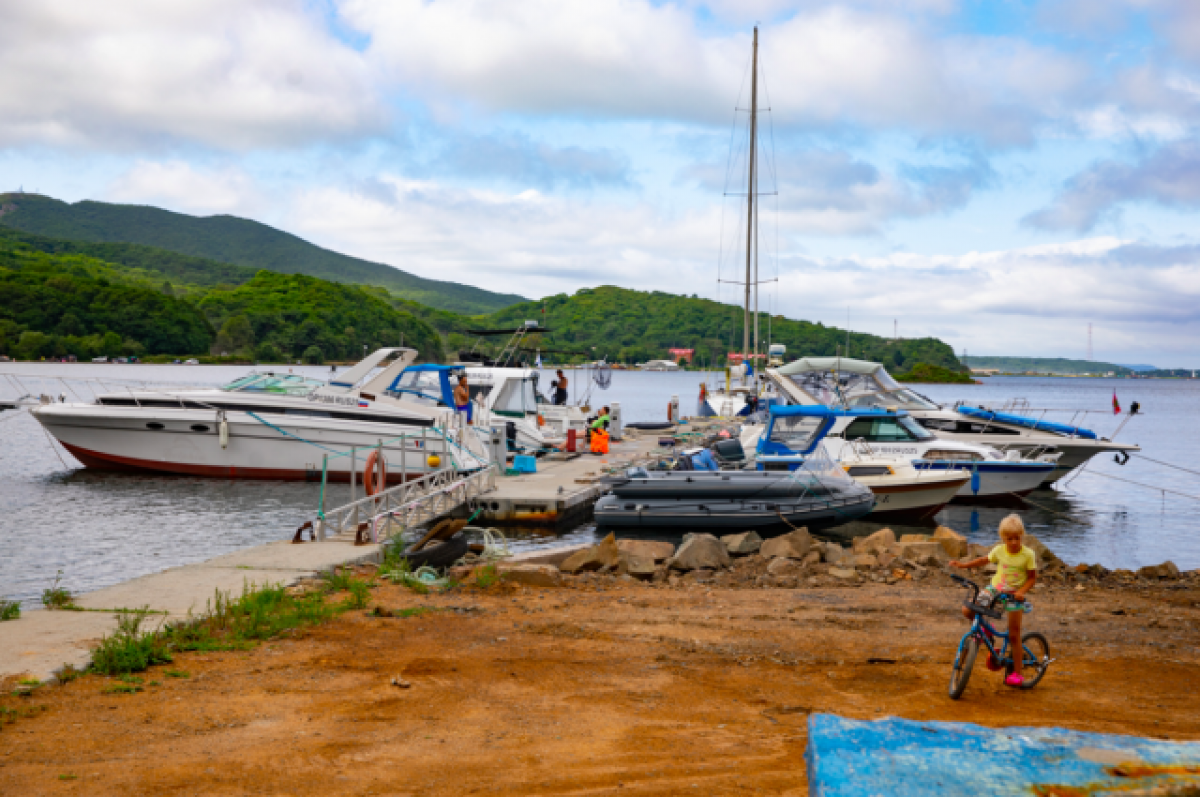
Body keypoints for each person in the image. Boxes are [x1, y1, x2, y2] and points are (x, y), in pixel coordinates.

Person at [950, 514, 1038, 687]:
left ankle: (1017, 674)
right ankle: (988, 632)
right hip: (995, 589)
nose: (1013, 542)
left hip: (1014, 595)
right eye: (1009, 539)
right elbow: (983, 560)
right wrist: (962, 565)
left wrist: (1021, 592)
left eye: (1017, 538)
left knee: (1014, 635)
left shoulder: (1028, 554)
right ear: (1003, 538)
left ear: (1022, 536)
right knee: (968, 610)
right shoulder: (999, 550)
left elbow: (1032, 578)